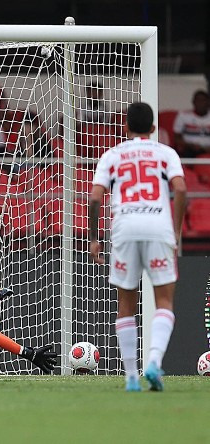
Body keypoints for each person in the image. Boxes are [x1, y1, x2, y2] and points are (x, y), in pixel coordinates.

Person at [89, 102, 186, 392]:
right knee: (165, 302)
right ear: (154, 128)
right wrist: (176, 232)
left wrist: (95, 239)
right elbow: (180, 189)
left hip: (125, 227)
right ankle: (154, 362)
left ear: (125, 128)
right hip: (158, 227)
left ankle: (132, 376)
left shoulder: (112, 155)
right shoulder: (166, 152)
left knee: (126, 305)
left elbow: (95, 197)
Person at [173, 90, 210, 157]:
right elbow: (176, 138)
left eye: (203, 100)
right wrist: (190, 145)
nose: (200, 103)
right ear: (193, 102)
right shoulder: (183, 115)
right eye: (198, 100)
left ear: (208, 102)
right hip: (190, 149)